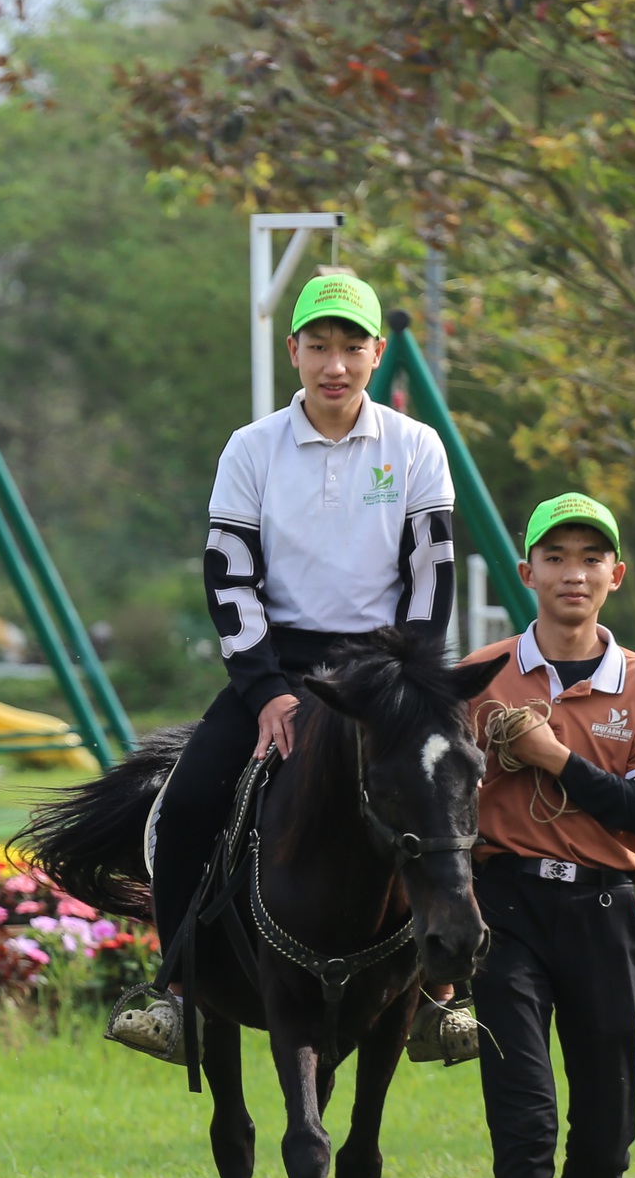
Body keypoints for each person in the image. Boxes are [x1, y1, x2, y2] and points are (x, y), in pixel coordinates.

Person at [114, 272, 459, 1062]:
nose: (334, 364)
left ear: (377, 353)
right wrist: (266, 690)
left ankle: (444, 995)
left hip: (384, 666)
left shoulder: (416, 447)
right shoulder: (250, 448)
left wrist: (402, 685)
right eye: (318, 347)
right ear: (293, 350)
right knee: (186, 802)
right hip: (277, 661)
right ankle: (172, 991)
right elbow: (229, 576)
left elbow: (431, 573)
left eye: (350, 347)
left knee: (452, 799)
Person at [460, 494, 635, 1178]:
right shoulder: (474, 676)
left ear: (615, 575)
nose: (575, 572)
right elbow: (423, 797)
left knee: (607, 1143)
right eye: (557, 556)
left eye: (593, 557)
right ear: (528, 573)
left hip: (600, 912)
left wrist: (551, 758)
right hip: (501, 910)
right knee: (526, 1127)